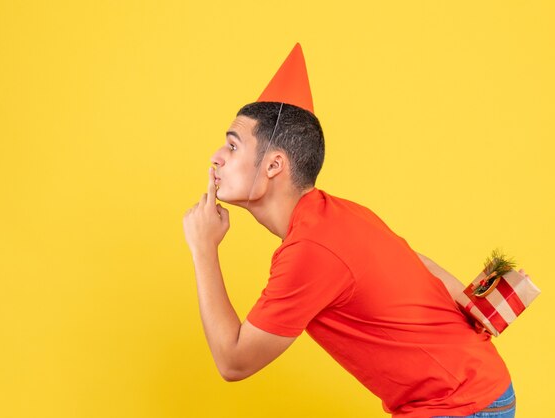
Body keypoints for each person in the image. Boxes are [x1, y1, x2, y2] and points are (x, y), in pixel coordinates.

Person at [183, 43, 521, 417]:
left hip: (462, 406)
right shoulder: (339, 215)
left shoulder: (310, 248)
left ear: (274, 165)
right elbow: (417, 260)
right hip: (484, 387)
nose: (216, 156)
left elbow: (234, 361)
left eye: (232, 146)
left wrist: (203, 248)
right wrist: (471, 303)